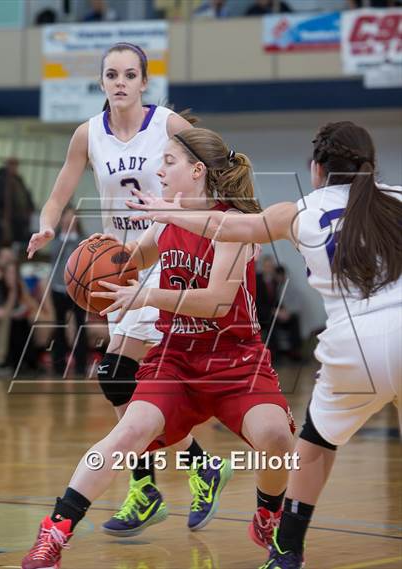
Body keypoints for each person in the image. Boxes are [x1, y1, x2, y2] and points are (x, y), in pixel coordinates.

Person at [130, 121, 402, 568]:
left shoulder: (299, 211)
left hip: (357, 347)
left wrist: (166, 212)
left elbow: (230, 226)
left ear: (316, 170)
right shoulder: (393, 196)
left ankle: (287, 549)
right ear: (370, 169)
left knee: (315, 446)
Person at [22, 127, 295, 569]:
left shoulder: (234, 223)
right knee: (127, 433)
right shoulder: (164, 219)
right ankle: (54, 534)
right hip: (176, 358)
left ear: (197, 171)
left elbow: (215, 302)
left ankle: (268, 514)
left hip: (235, 361)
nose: (159, 169)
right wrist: (90, 262)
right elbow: (129, 260)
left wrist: (148, 296)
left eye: (169, 161)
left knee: (276, 436)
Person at [26, 42, 223, 538]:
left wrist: (192, 212)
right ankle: (191, 467)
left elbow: (217, 166)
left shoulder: (170, 125)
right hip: (117, 266)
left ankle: (148, 485)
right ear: (101, 82)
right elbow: (59, 193)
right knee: (128, 384)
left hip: (163, 255)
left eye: (129, 74)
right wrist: (48, 227)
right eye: (111, 74)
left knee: (117, 374)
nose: (120, 82)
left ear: (143, 82)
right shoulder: (87, 134)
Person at [49, 205, 88, 376]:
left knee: (81, 326)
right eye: (66, 217)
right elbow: (55, 256)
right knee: (59, 326)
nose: (69, 220)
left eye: (73, 217)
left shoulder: (83, 239)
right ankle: (58, 365)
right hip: (58, 288)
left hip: (78, 290)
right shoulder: (56, 239)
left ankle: (81, 365)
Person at [0, 158, 35, 248]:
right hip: (2, 216)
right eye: (11, 164)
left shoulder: (18, 181)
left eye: (15, 165)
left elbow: (25, 197)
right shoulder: (0, 180)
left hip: (17, 217)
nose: (13, 167)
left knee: (16, 239)